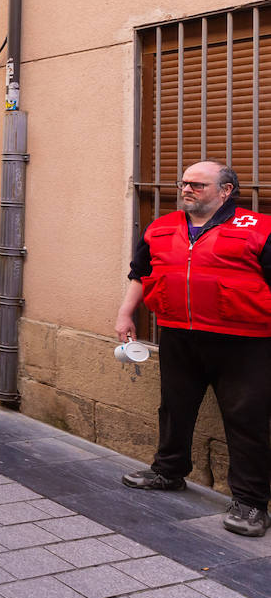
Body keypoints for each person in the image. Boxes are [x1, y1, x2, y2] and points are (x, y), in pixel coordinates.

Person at [116, 161, 271, 538]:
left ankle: (251, 503)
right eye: (184, 183)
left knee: (246, 419)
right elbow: (141, 272)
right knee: (174, 406)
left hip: (243, 341)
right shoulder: (161, 227)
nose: (187, 190)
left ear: (226, 191)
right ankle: (168, 472)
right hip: (177, 334)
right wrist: (125, 313)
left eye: (198, 185)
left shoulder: (259, 228)